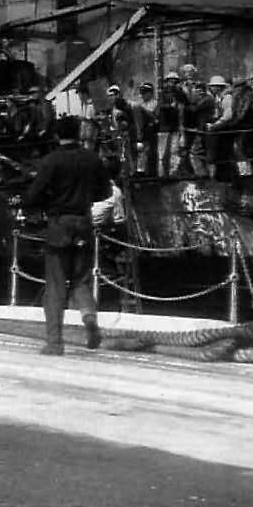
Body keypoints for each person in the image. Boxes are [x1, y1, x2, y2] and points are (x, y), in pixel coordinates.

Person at [23, 116, 113, 355]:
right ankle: (89, 318)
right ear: (79, 132)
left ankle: (55, 342)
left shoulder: (51, 161)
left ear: (56, 135)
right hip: (84, 222)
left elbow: (32, 196)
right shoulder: (92, 159)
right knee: (81, 281)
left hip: (58, 225)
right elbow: (105, 192)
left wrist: (47, 203)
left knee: (55, 286)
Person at [155, 72, 187, 177]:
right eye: (170, 81)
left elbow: (184, 106)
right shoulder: (162, 93)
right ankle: (161, 173)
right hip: (164, 126)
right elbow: (160, 107)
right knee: (162, 152)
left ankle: (173, 173)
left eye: (174, 81)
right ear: (167, 82)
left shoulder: (180, 93)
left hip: (175, 126)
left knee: (174, 151)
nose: (172, 83)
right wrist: (170, 106)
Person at [131, 82, 158, 175]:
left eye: (144, 92)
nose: (142, 95)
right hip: (142, 131)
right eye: (141, 92)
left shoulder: (154, 103)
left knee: (149, 153)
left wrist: (140, 108)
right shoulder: (142, 104)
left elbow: (153, 117)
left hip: (152, 132)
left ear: (150, 93)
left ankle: (149, 172)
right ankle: (140, 171)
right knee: (141, 152)